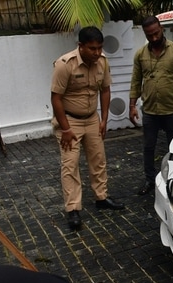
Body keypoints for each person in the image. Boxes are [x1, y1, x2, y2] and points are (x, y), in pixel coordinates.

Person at [50, 26, 124, 229]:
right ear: (80, 46)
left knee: (98, 159)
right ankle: (73, 209)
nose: (97, 52)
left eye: (100, 48)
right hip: (69, 121)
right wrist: (65, 129)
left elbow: (105, 90)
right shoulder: (65, 65)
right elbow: (55, 98)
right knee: (70, 165)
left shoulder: (102, 62)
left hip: (92, 119)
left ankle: (101, 198)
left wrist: (104, 119)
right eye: (92, 48)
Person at [129, 16, 173, 196]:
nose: (154, 38)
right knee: (148, 147)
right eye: (149, 35)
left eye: (156, 33)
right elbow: (136, 81)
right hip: (150, 110)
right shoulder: (140, 55)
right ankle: (150, 180)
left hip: (172, 109)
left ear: (162, 29)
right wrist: (132, 105)